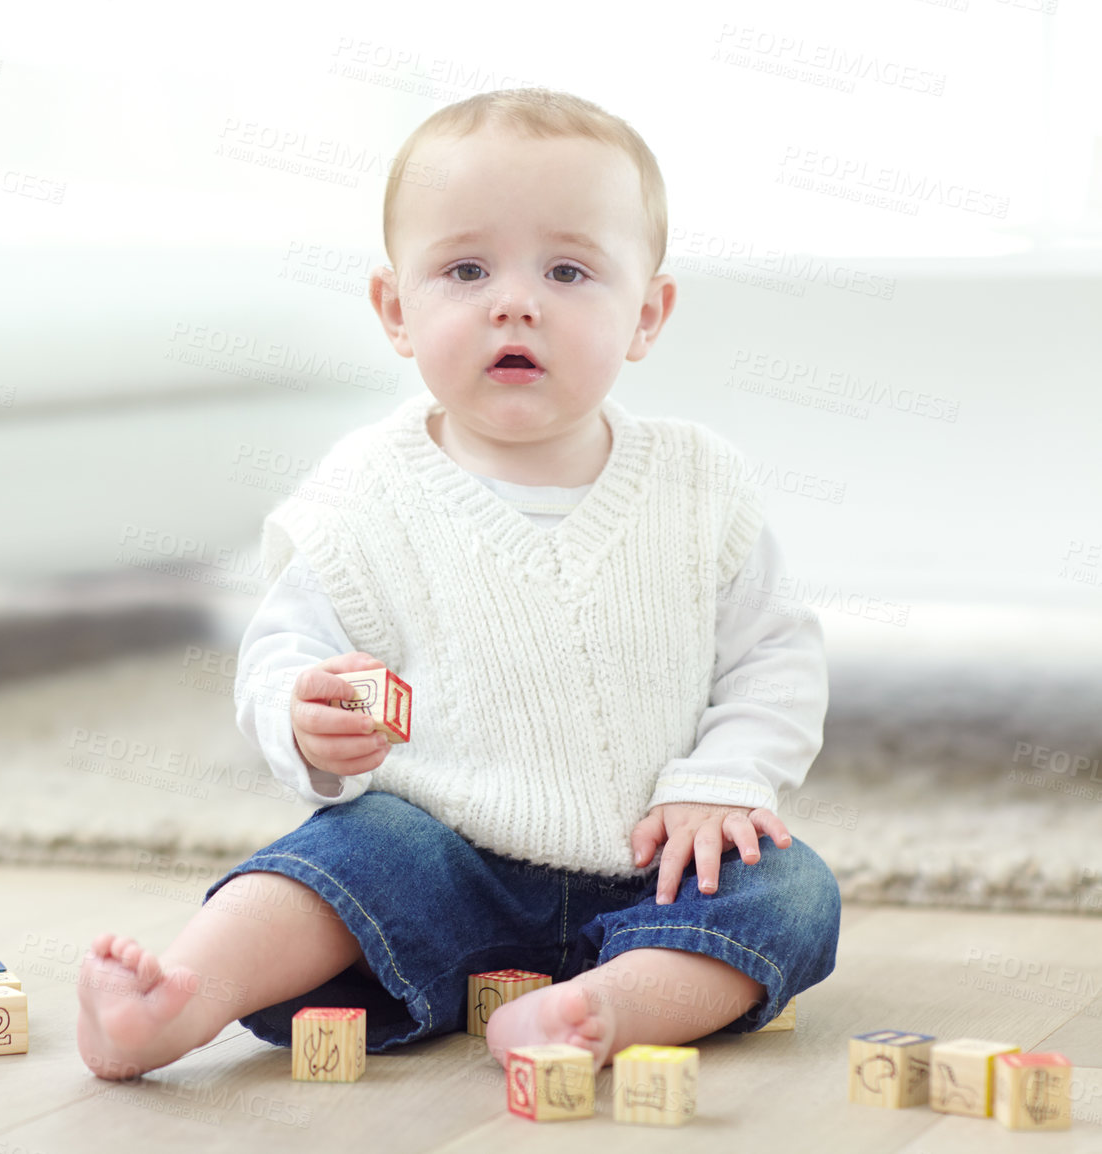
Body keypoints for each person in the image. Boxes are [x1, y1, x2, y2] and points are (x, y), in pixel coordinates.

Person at [78, 87, 840, 1082]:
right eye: (465, 269)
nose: (513, 300)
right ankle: (176, 996)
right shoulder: (364, 491)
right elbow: (285, 652)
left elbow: (774, 656)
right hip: (443, 860)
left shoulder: (700, 483)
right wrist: (304, 718)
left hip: (658, 863)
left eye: (567, 270)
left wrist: (720, 783)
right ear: (396, 309)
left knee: (788, 887)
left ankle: (606, 1004)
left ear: (646, 314)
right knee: (343, 851)